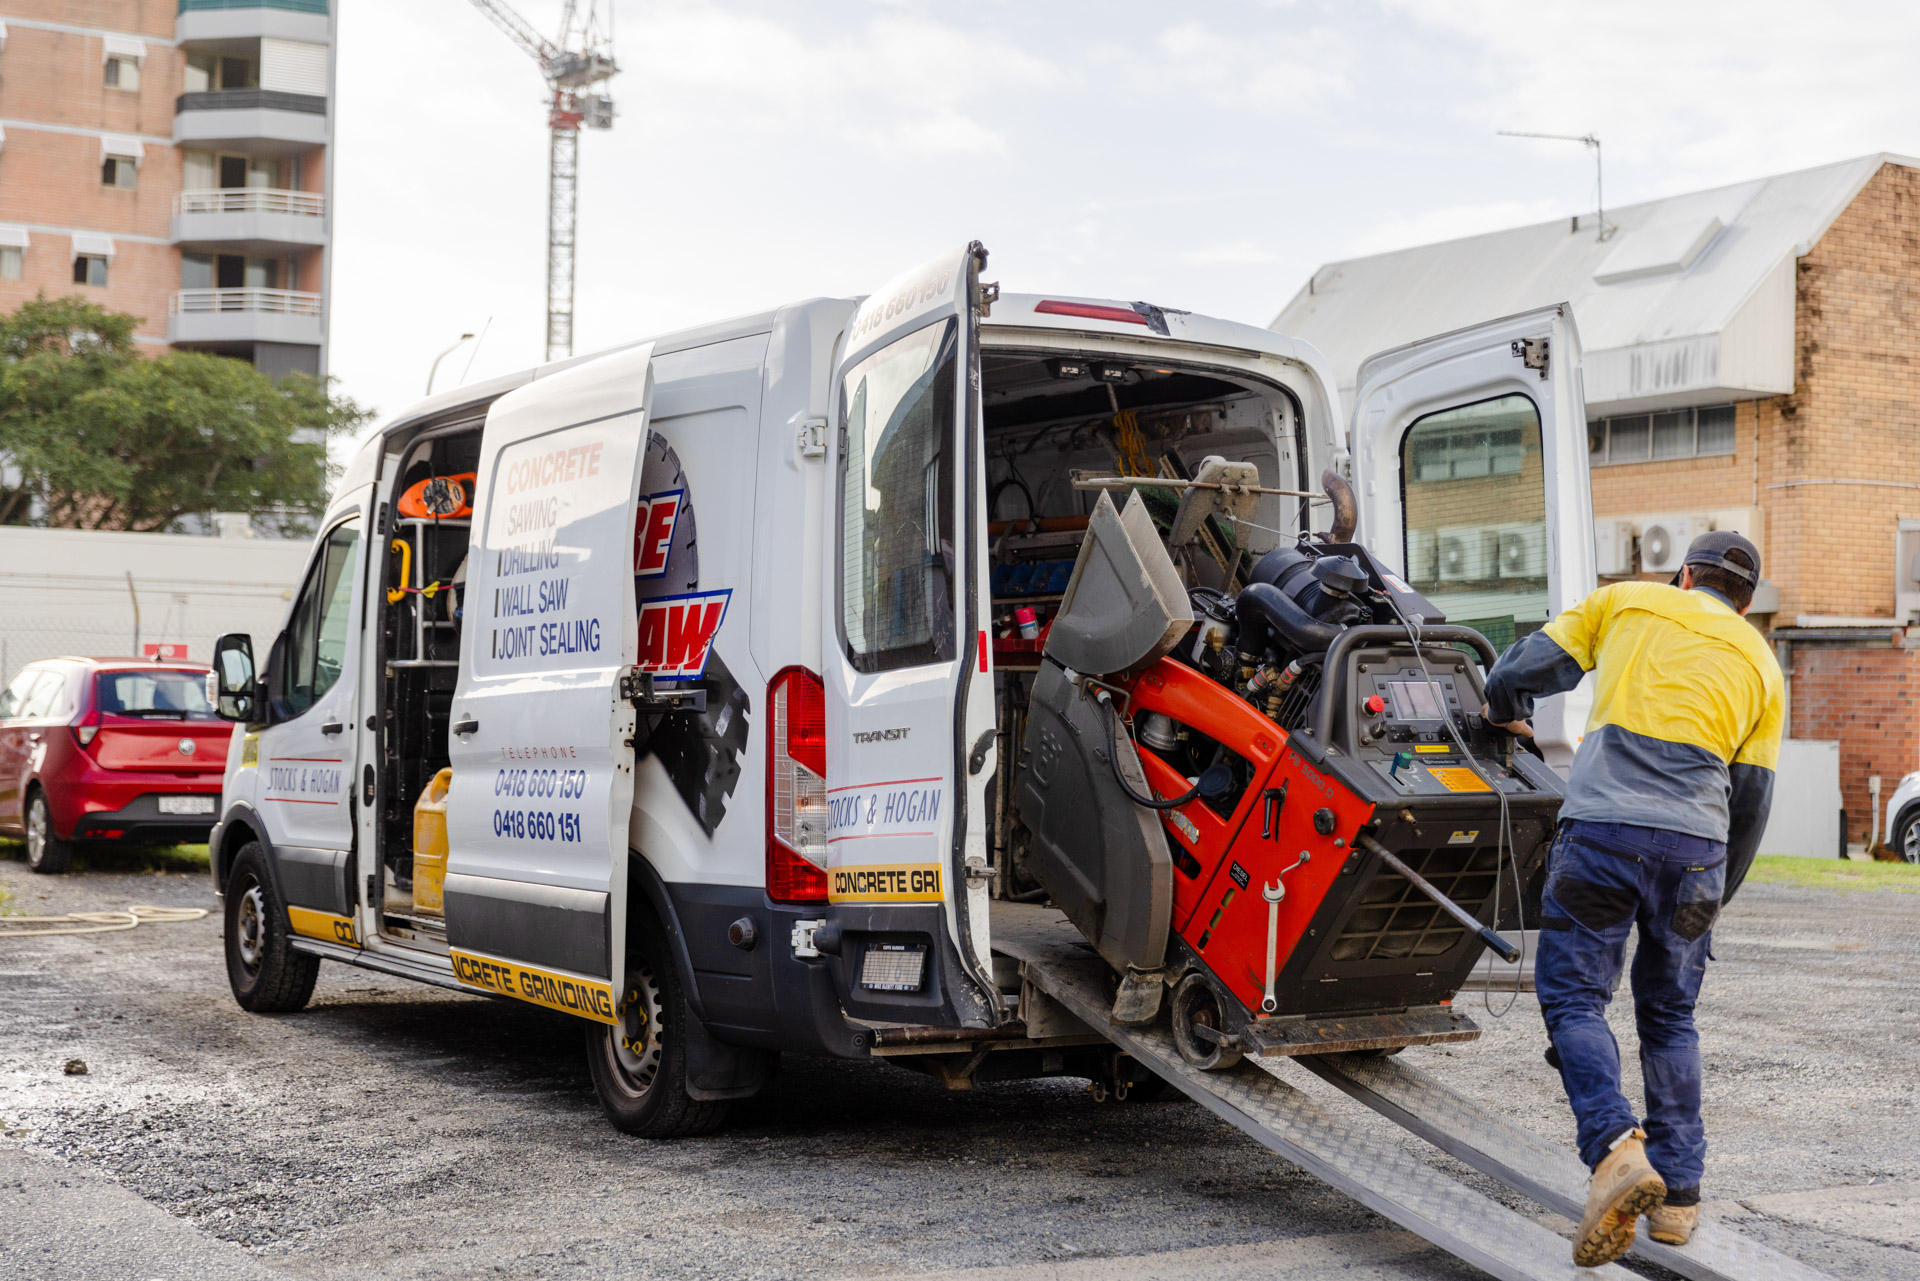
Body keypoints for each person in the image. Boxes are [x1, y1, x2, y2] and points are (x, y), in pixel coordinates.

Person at [1482, 531, 1783, 1267]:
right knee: (1671, 1012)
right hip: (1699, 855)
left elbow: (1524, 667)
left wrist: (1502, 707)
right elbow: (1750, 802)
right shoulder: (1762, 665)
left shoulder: (1628, 601)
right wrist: (1714, 899)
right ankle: (1678, 1199)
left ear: (1685, 574)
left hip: (1606, 836)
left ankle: (1617, 1151)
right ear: (1745, 603)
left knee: (1575, 996)